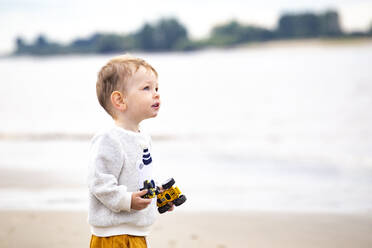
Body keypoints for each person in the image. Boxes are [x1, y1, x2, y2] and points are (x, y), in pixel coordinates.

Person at [87, 54, 169, 248]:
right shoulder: (109, 138)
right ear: (120, 100)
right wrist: (126, 200)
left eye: (156, 88)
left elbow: (138, 180)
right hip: (114, 235)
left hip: (136, 232)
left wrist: (159, 195)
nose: (156, 93)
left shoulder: (142, 137)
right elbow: (99, 182)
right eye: (146, 88)